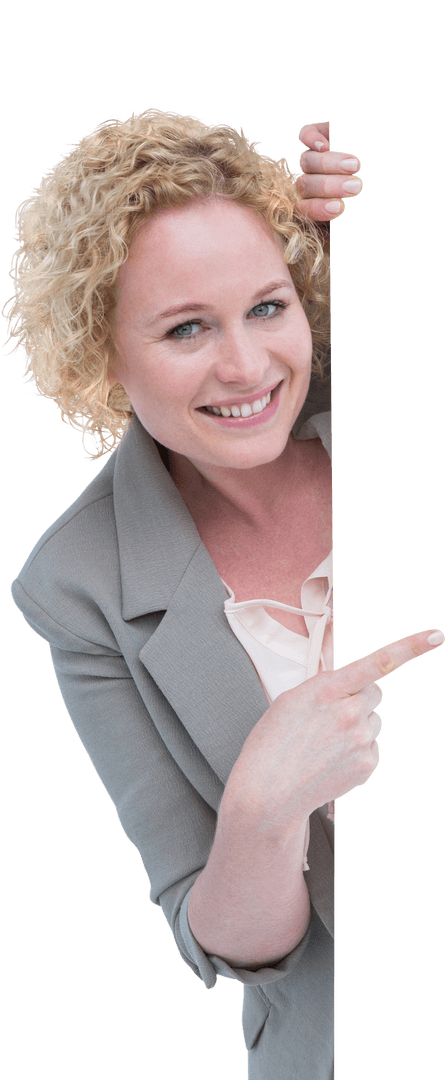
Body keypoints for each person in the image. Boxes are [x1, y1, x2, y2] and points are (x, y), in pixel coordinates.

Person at [5, 109, 443, 1080]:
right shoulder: (77, 584)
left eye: (266, 307)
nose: (245, 367)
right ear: (100, 353)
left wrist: (396, 194)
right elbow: (235, 945)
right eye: (186, 327)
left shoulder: (402, 393)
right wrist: (260, 805)